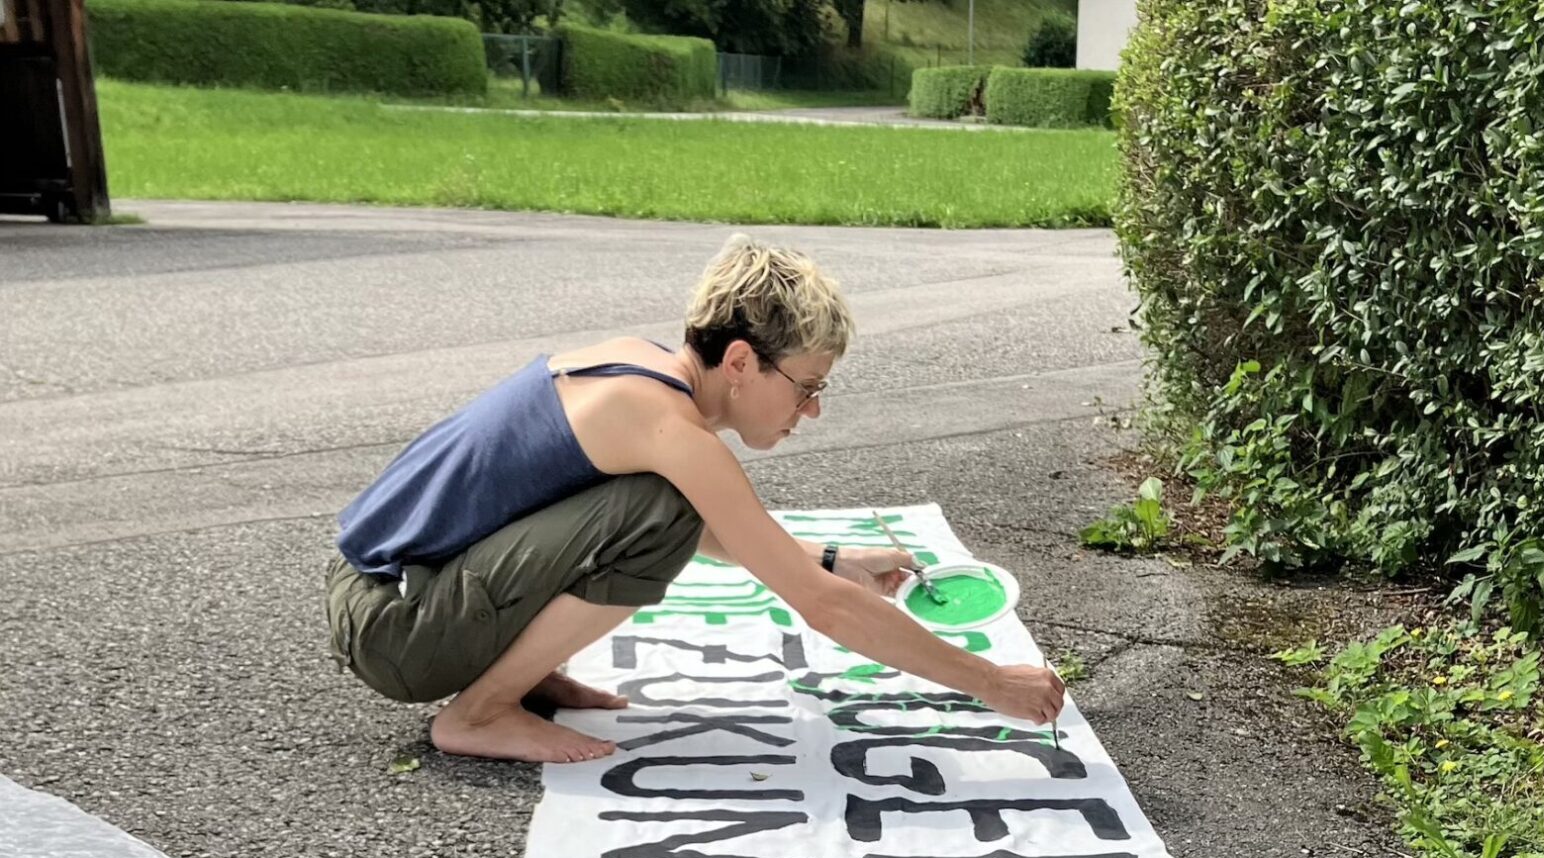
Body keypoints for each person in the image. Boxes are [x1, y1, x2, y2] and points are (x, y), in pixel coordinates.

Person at [326, 234, 1065, 765]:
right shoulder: (666, 427)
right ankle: (479, 713)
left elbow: (705, 536)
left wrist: (833, 558)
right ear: (741, 362)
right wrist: (989, 682)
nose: (809, 411)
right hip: (397, 632)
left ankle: (520, 673)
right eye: (806, 388)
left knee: (654, 509)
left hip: (388, 595)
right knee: (659, 511)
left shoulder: (637, 369)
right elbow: (817, 605)